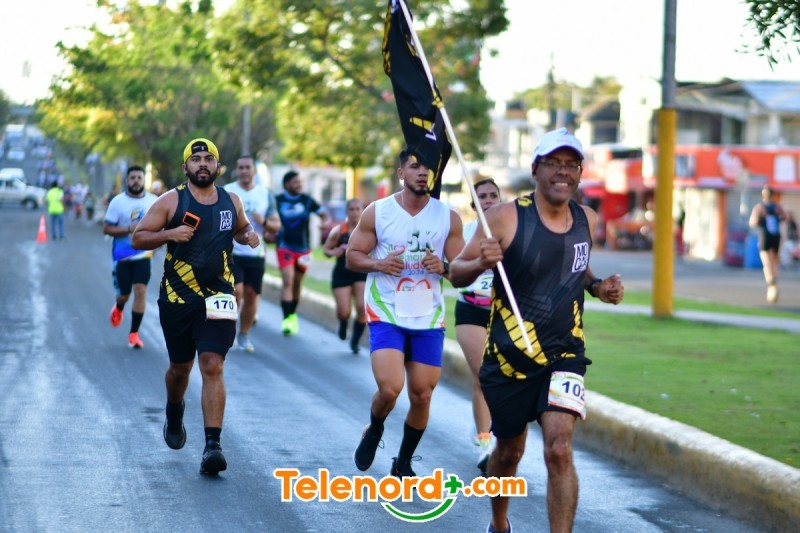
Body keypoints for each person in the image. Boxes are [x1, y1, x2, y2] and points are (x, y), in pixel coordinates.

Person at [449, 128, 624, 533]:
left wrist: (598, 287)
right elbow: (456, 272)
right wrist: (480, 263)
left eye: (570, 164)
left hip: (565, 354)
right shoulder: (505, 217)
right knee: (509, 452)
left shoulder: (587, 220)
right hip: (510, 357)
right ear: (535, 169)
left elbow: (576, 268)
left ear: (579, 173)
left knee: (559, 449)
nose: (562, 172)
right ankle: (499, 522)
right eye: (553, 163)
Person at [131, 138, 260, 475]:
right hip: (178, 299)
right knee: (180, 369)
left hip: (219, 297)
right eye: (196, 159)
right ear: (185, 167)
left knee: (213, 364)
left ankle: (212, 446)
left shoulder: (231, 201)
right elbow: (139, 237)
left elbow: (241, 229)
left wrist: (248, 235)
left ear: (218, 166)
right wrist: (170, 234)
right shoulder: (171, 200)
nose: (203, 164)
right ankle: (174, 409)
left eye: (209, 159)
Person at [347, 148, 464, 478]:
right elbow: (352, 256)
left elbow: (462, 272)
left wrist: (445, 267)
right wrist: (379, 264)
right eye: (415, 166)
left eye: (427, 167)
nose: (422, 172)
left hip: (428, 317)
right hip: (386, 311)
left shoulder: (448, 217)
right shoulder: (378, 211)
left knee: (422, 394)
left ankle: (403, 461)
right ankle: (374, 428)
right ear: (401, 174)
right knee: (390, 389)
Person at [454, 177, 502, 476]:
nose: (488, 200)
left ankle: (490, 425)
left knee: (502, 377)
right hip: (471, 309)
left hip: (504, 313)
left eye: (493, 195)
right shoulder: (465, 234)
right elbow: (452, 270)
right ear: (474, 203)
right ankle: (486, 444)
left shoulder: (512, 232)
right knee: (483, 374)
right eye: (482, 196)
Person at [224, 155, 281, 352]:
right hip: (232, 252)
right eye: (240, 168)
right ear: (236, 170)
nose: (244, 171)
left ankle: (244, 334)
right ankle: (228, 331)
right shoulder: (228, 191)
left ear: (254, 171)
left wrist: (263, 221)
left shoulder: (265, 194)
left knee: (251, 295)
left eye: (247, 167)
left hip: (256, 254)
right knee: (236, 292)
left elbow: (276, 225)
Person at [103, 166, 158, 349]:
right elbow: (107, 228)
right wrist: (128, 229)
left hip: (143, 255)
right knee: (124, 295)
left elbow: (161, 225)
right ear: (127, 181)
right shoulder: (118, 202)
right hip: (122, 256)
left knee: (141, 290)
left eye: (139, 178)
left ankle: (134, 334)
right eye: (132, 178)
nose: (136, 181)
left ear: (144, 180)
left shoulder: (154, 201)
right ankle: (119, 307)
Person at [274, 170, 332, 335]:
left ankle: (292, 314)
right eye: (296, 182)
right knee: (288, 281)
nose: (299, 185)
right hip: (284, 246)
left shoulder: (307, 200)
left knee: (297, 284)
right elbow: (269, 217)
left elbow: (324, 214)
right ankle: (286, 319)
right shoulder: (278, 200)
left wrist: (325, 223)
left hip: (303, 249)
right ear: (287, 184)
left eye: (300, 182)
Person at [322, 198, 368, 354]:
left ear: (363, 211)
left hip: (361, 272)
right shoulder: (339, 230)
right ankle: (342, 323)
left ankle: (355, 341)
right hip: (342, 273)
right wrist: (335, 251)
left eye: (358, 209)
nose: (355, 212)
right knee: (344, 312)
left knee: (362, 308)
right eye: (352, 209)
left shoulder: (368, 230)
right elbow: (326, 249)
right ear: (347, 211)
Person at [749, 186, 787, 303]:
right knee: (774, 262)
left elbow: (753, 222)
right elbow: (785, 217)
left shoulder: (760, 207)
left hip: (765, 237)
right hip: (776, 236)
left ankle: (771, 286)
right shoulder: (777, 207)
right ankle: (774, 284)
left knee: (767, 262)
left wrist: (761, 219)